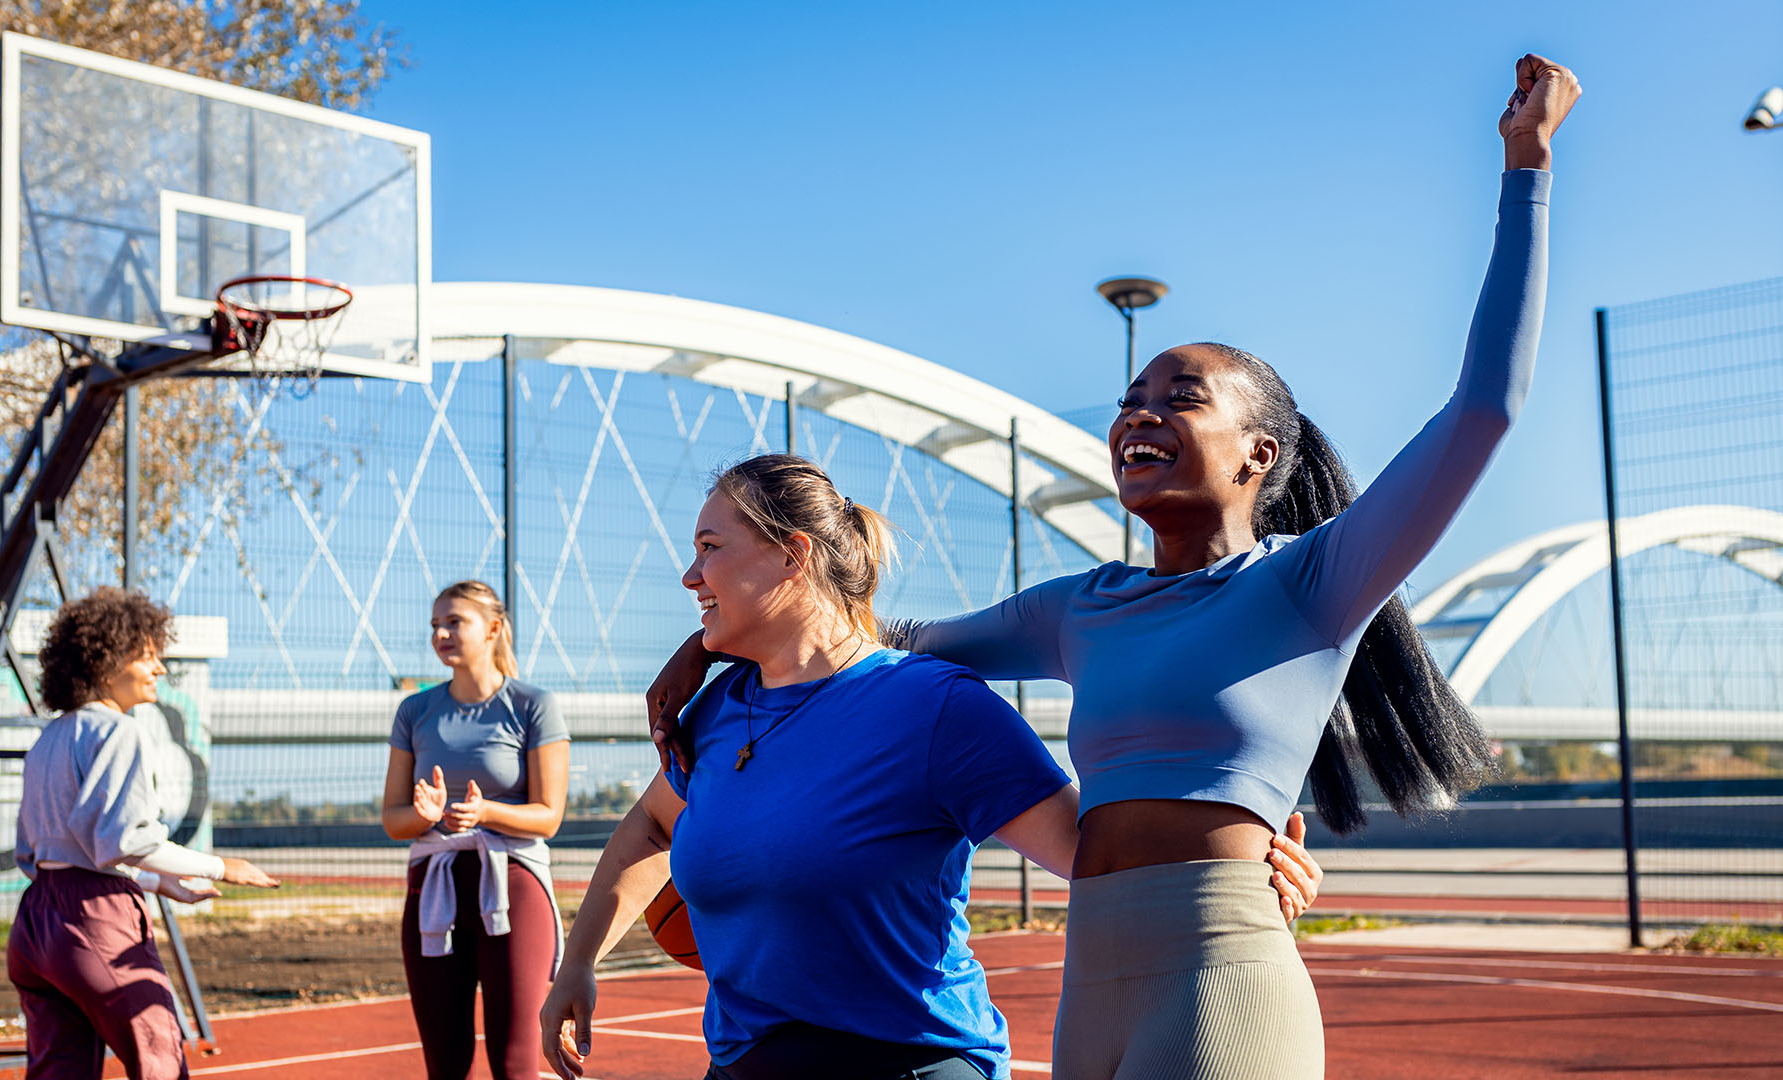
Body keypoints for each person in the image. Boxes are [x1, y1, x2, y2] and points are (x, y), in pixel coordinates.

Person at [648, 55, 1581, 1079]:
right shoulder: (1079, 611)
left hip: (1224, 966)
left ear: (1257, 454)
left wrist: (1524, 166)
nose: (1138, 412)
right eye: (1131, 397)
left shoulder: (1312, 585)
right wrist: (713, 649)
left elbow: (1486, 407)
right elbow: (861, 643)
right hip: (1091, 982)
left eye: (1179, 397)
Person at [544, 456, 1322, 1080]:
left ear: (791, 555)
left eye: (710, 548)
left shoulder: (935, 708)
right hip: (745, 1062)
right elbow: (652, 824)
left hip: (906, 1060)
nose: (690, 576)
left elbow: (1092, 855)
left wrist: (1237, 885)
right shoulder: (715, 714)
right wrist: (577, 964)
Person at [9, 588, 278, 1080]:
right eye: (147, 657)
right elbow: (126, 840)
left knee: (58, 1070)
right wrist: (222, 866)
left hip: (34, 926)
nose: (160, 669)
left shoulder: (48, 737)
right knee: (158, 1050)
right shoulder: (119, 731)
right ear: (106, 660)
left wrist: (155, 883)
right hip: (94, 921)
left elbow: (42, 853)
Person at [381, 580, 571, 1080]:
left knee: (514, 1064)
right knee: (445, 1065)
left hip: (514, 887)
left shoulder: (533, 704)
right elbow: (394, 819)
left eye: (454, 622)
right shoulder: (414, 711)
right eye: (434, 625)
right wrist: (426, 815)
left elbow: (549, 815)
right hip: (433, 889)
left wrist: (484, 812)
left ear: (492, 628)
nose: (441, 633)